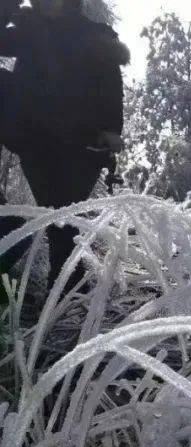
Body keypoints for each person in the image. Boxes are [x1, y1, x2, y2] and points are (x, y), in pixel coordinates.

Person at [0, 0, 127, 296]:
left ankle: (67, 302)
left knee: (63, 225)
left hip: (79, 147)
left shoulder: (95, 36)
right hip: (35, 140)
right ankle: (66, 299)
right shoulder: (29, 31)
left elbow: (111, 91)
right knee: (59, 223)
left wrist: (109, 137)